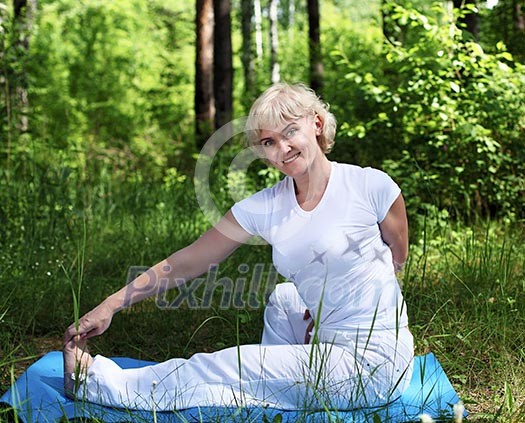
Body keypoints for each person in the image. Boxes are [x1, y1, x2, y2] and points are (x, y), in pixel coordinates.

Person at [63, 82, 414, 412]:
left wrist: (338, 314)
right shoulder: (266, 206)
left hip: (374, 365)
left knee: (224, 365)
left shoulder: (371, 186)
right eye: (268, 142)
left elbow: (397, 258)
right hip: (329, 343)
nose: (283, 149)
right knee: (285, 298)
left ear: (317, 124)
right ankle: (280, 384)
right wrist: (110, 305)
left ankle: (92, 384)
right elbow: (188, 261)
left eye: (290, 131)